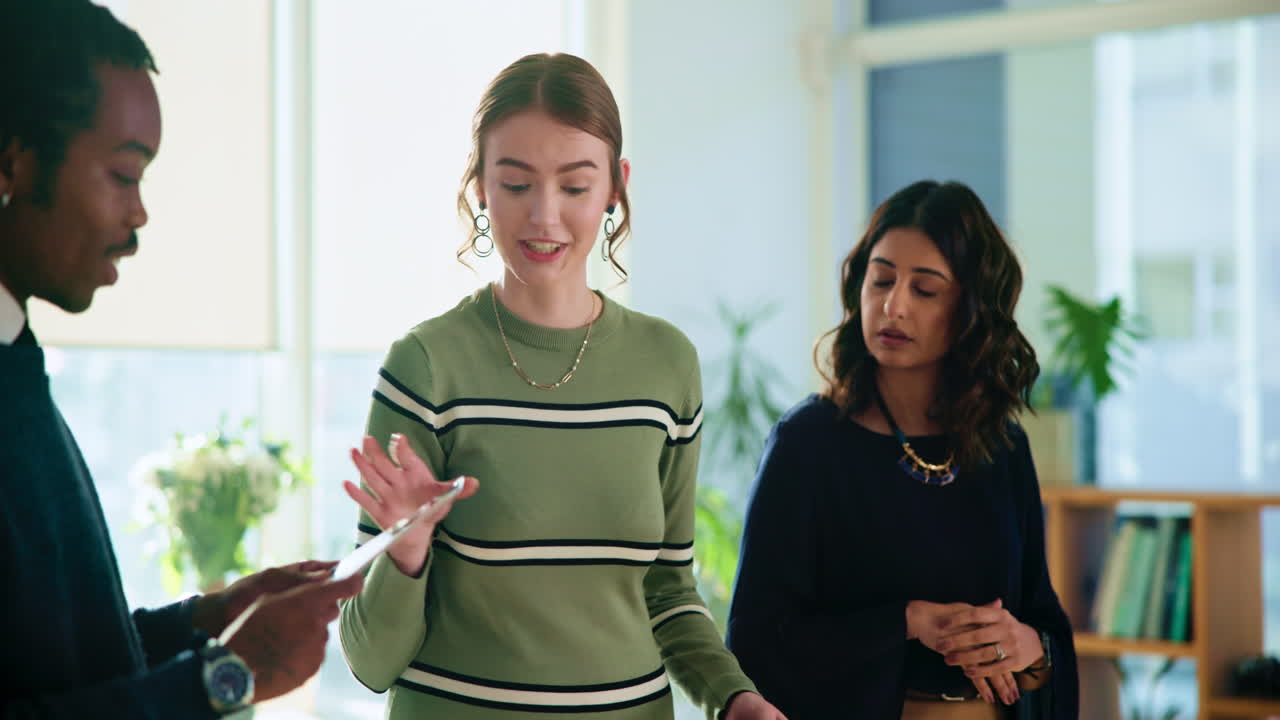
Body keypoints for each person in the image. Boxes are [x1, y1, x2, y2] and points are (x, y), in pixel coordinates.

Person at [337, 53, 785, 720]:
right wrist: (404, 554)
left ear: (615, 187)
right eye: (516, 184)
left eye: (574, 187)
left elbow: (668, 594)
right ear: (481, 186)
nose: (544, 216)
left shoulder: (666, 365)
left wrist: (733, 697)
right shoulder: (428, 365)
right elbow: (369, 662)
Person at [0, 1, 364, 717]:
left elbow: (59, 656)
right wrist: (229, 673)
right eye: (122, 175)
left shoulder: (16, 360)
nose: (139, 216)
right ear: (13, 162)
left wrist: (208, 618)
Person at [725, 181, 1079, 719]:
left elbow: (1043, 621)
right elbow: (755, 641)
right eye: (882, 279)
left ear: (970, 308)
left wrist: (1029, 646)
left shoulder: (1002, 446)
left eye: (925, 289)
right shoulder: (809, 444)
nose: (893, 305)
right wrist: (906, 622)